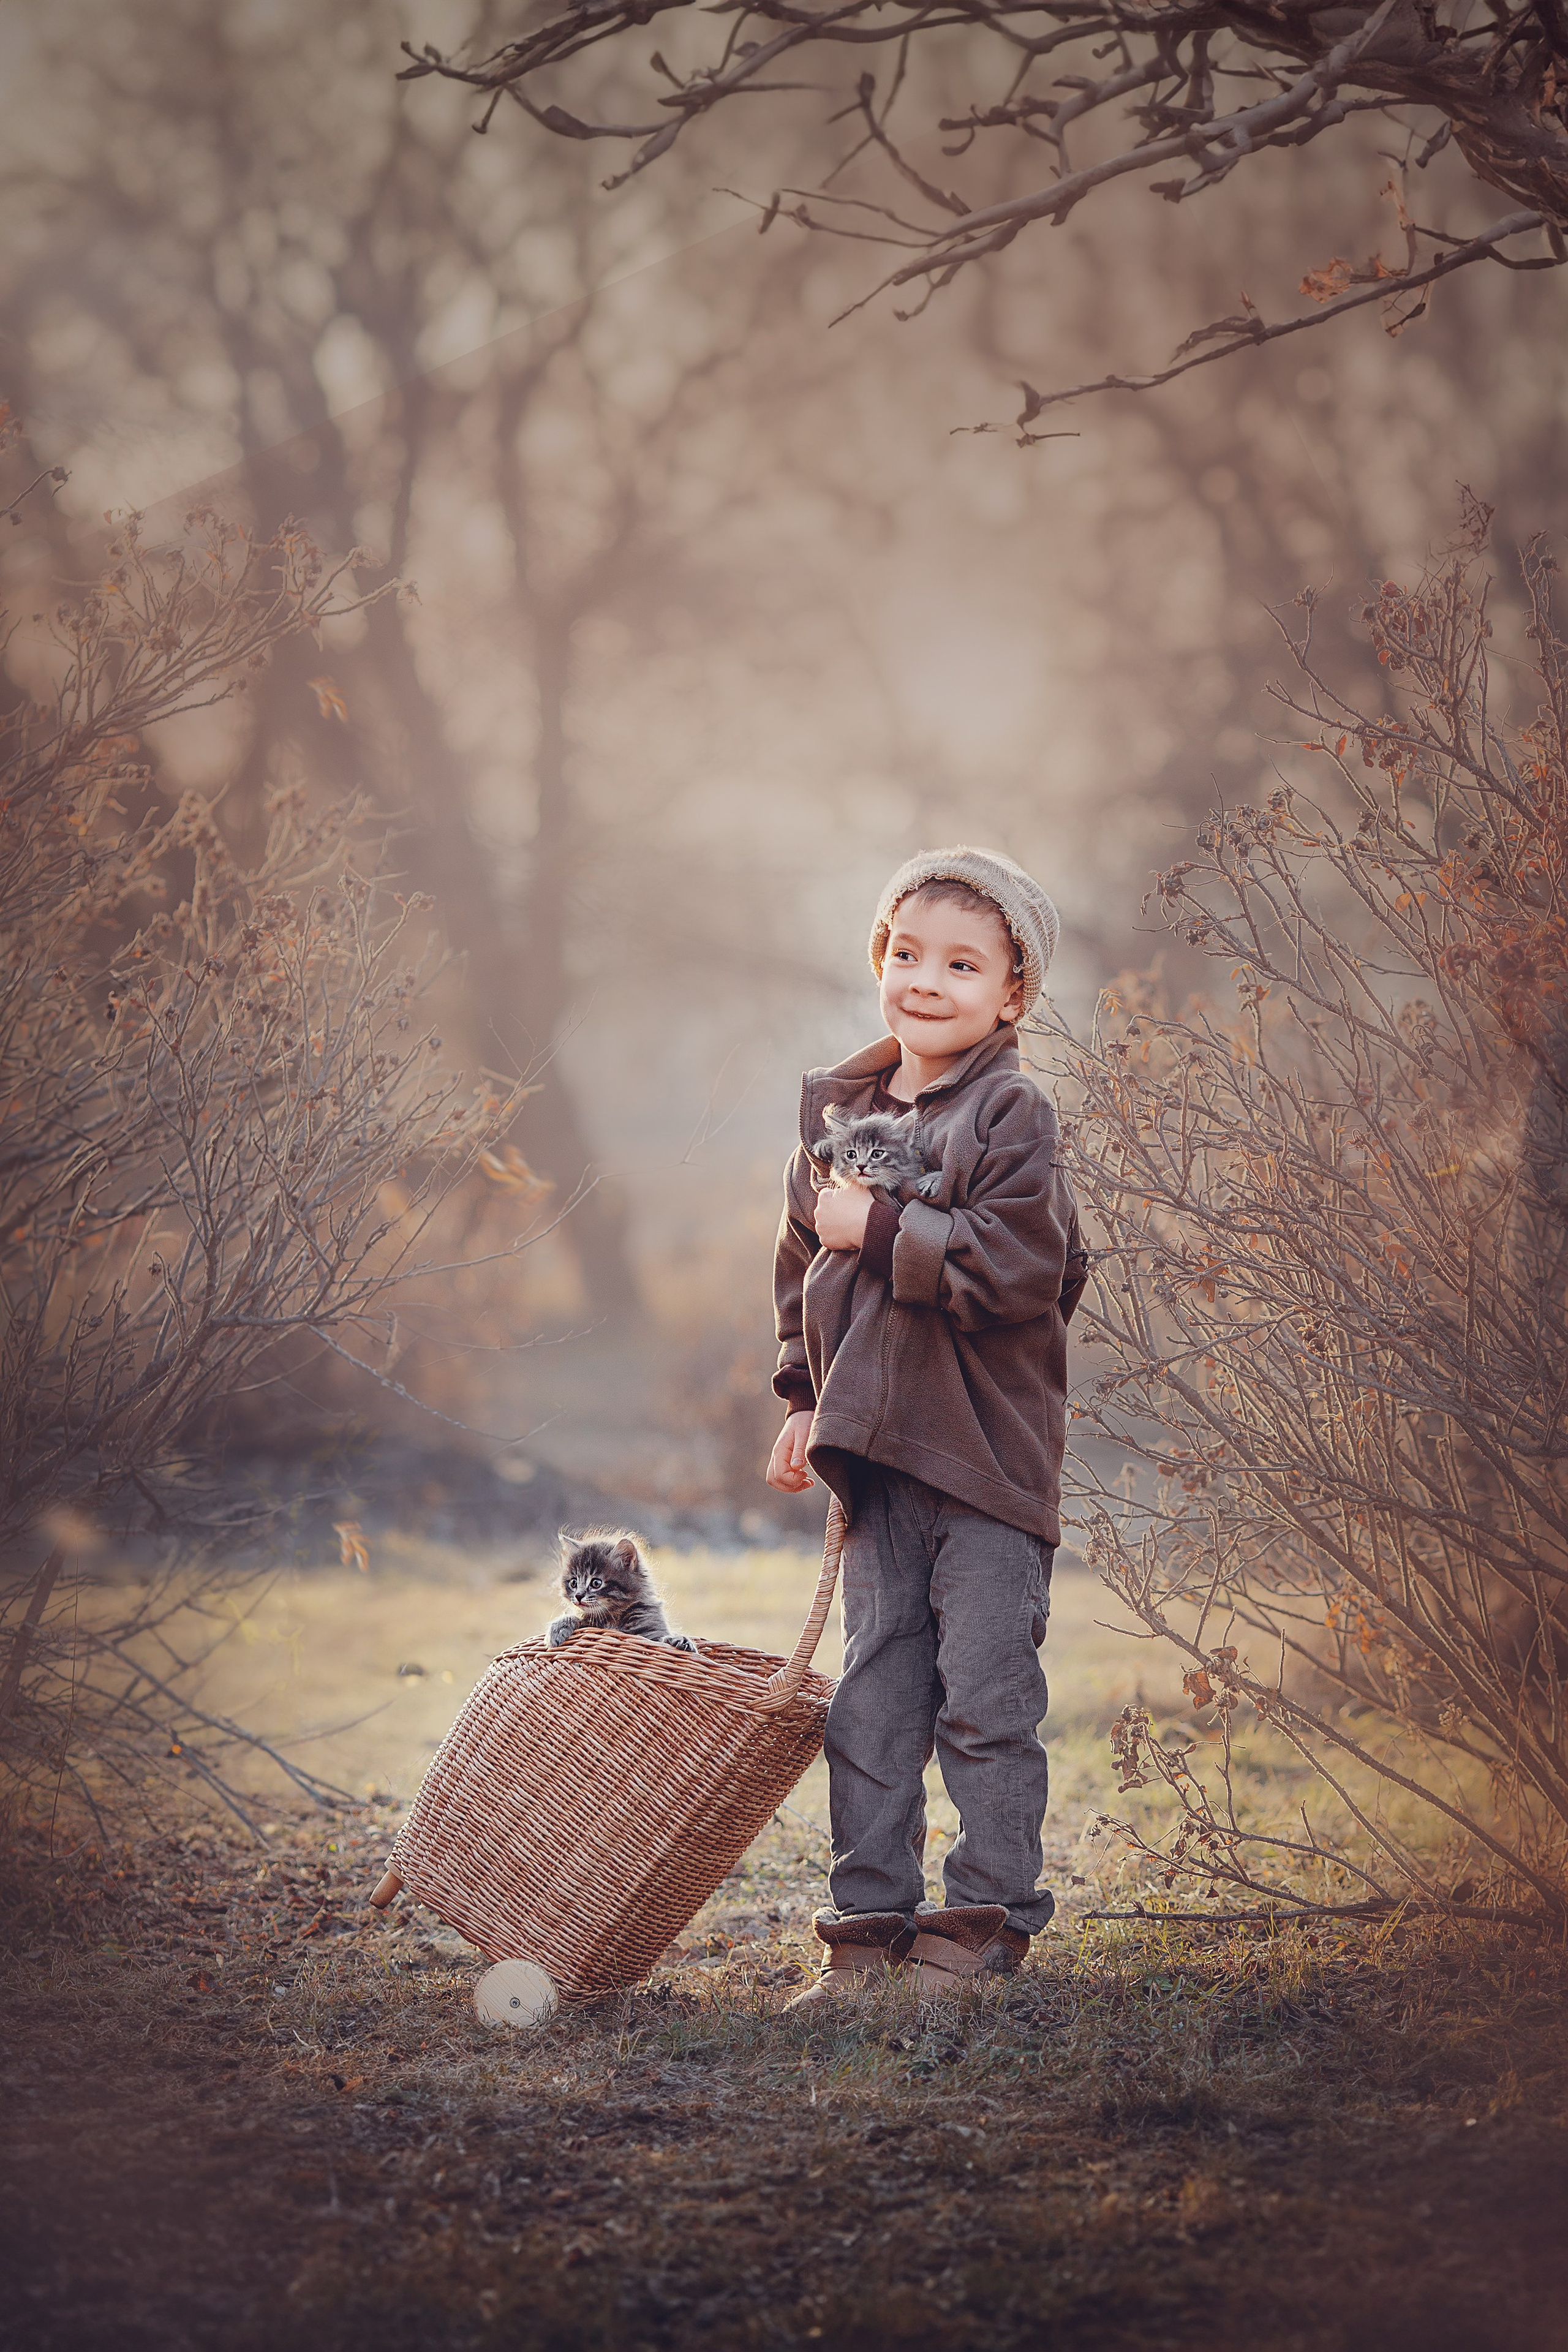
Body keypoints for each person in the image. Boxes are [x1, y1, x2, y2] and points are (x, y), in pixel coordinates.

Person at [766, 846, 1087, 2005]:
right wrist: (804, 1399)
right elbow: (800, 1265)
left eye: (962, 964)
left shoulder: (1011, 1111)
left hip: (989, 1462)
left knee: (987, 1703)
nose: (927, 981)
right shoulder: (836, 1114)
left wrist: (885, 1226)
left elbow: (1020, 1273)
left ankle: (982, 1933)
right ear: (879, 963)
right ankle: (867, 1935)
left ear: (1011, 994)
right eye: (907, 955)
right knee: (873, 1702)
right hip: (880, 1456)